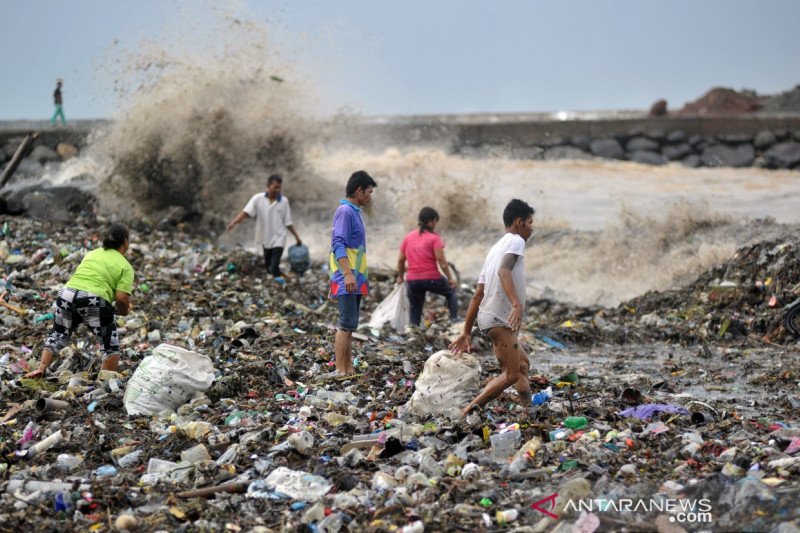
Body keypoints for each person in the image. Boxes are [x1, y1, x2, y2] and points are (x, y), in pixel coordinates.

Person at [449, 199, 536, 417]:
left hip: (488, 318)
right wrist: (516, 304)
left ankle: (529, 409)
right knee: (511, 374)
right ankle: (469, 411)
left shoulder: (494, 249)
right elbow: (504, 272)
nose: (532, 228)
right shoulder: (516, 241)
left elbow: (478, 294)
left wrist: (466, 331)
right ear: (518, 223)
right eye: (530, 223)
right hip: (498, 319)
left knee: (522, 365)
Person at [24, 224, 134, 378]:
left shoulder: (93, 253)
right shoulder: (125, 266)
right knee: (110, 344)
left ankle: (41, 368)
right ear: (125, 242)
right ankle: (106, 381)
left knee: (58, 333)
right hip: (93, 299)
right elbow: (121, 298)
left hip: (67, 294)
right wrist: (123, 312)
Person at [329, 170, 378, 375]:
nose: (369, 196)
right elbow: (338, 244)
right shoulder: (345, 212)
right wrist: (346, 275)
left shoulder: (354, 212)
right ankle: (341, 369)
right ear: (358, 190)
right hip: (347, 277)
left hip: (353, 278)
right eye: (368, 191)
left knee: (350, 326)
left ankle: (348, 369)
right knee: (345, 324)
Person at [227, 174, 302, 284]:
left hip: (279, 238)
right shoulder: (258, 199)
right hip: (265, 238)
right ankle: (283, 279)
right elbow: (246, 213)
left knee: (274, 265)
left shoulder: (284, 201)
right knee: (268, 266)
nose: (277, 190)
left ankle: (281, 285)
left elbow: (288, 222)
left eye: (279, 187)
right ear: (268, 185)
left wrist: (297, 237)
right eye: (275, 187)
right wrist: (233, 223)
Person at [396, 207, 458, 326]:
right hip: (431, 278)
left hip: (413, 281)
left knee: (415, 309)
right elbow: (441, 260)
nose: (435, 224)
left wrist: (400, 276)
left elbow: (400, 260)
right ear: (430, 221)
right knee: (451, 293)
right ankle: (454, 320)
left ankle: (414, 330)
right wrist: (450, 278)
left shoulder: (408, 237)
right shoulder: (434, 237)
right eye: (435, 221)